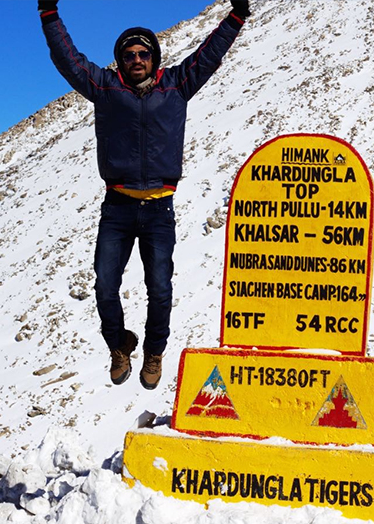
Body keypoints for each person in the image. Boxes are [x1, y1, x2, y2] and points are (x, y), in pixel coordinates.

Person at [38, 0, 250, 389]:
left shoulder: (177, 84)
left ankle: (154, 351)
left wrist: (236, 16)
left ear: (154, 58)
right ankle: (119, 346)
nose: (136, 58)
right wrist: (49, 13)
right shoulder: (104, 87)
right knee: (104, 283)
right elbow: (67, 59)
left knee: (161, 286)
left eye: (143, 53)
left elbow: (210, 53)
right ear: (120, 61)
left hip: (158, 209)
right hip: (117, 207)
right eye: (128, 54)